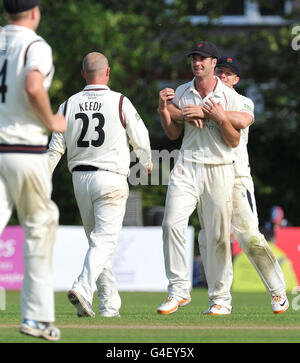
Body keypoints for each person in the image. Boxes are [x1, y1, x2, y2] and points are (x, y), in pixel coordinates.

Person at [48, 52, 152, 318]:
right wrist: (146, 161)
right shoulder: (119, 101)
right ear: (107, 73)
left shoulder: (68, 104)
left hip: (79, 179)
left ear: (83, 73)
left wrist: (41, 177)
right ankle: (83, 288)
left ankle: (109, 306)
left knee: (98, 243)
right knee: (104, 242)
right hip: (111, 178)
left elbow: (54, 149)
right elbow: (140, 135)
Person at [157, 41, 244, 316]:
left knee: (217, 236)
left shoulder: (228, 96)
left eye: (203, 59)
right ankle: (177, 291)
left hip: (219, 166)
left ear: (213, 63)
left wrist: (214, 117)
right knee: (171, 223)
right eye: (194, 58)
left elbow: (233, 140)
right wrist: (166, 110)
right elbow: (172, 134)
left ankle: (221, 299)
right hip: (186, 165)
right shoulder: (183, 91)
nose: (197, 63)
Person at [198, 56, 288, 314]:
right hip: (210, 177)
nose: (223, 77)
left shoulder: (242, 101)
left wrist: (214, 113)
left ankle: (278, 291)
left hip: (236, 178)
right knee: (215, 239)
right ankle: (220, 301)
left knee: (249, 236)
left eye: (228, 74)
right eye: (220, 72)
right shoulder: (202, 97)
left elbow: (243, 120)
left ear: (236, 79)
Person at [0, 0, 66, 340]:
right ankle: (37, 318)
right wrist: (52, 120)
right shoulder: (35, 45)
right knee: (40, 226)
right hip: (23, 150)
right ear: (35, 12)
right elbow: (33, 85)